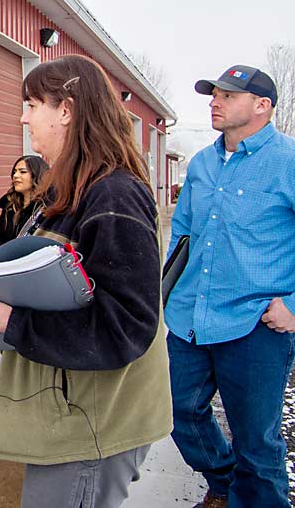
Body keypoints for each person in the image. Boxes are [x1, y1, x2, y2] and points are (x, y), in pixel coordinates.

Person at [0, 55, 172, 508]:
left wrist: (14, 322)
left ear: (67, 110)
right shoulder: (67, 189)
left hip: (92, 428)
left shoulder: (113, 193)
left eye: (32, 103)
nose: (23, 116)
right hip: (70, 418)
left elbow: (127, 326)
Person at [164, 65, 295, 508]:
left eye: (228, 95)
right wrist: (164, 291)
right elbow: (181, 235)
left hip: (256, 323)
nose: (214, 102)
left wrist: (294, 305)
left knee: (257, 443)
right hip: (190, 319)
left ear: (263, 106)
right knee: (180, 414)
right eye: (213, 94)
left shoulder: (288, 161)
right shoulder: (201, 164)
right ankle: (223, 481)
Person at [0, 155, 49, 250]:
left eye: (22, 172)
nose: (15, 176)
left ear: (37, 175)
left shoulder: (47, 207)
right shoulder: (10, 205)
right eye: (14, 172)